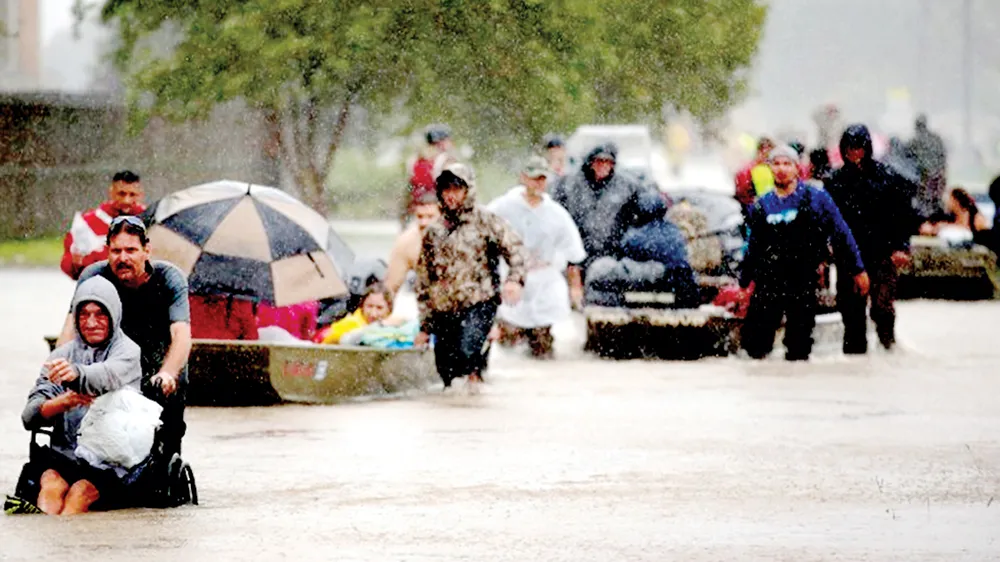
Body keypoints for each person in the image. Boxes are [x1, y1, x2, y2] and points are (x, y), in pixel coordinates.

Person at [55, 216, 191, 457]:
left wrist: (168, 373)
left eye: (131, 250)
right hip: (113, 359)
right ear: (107, 251)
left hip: (159, 360)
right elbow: (70, 329)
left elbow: (181, 333)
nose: (123, 258)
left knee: (167, 420)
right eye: (116, 251)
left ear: (146, 250)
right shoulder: (94, 276)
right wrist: (60, 370)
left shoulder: (169, 278)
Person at [22, 276, 142, 515]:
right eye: (84, 314)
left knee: (78, 493)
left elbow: (106, 375)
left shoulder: (128, 352)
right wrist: (61, 403)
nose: (91, 322)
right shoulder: (61, 355)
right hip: (66, 454)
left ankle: (71, 546)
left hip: (112, 460)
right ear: (75, 318)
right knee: (50, 488)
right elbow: (29, 416)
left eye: (100, 314)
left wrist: (77, 375)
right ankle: (51, 549)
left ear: (113, 316)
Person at [739, 145, 869, 361]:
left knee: (798, 348)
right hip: (768, 282)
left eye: (787, 164)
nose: (782, 169)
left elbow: (841, 233)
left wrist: (858, 269)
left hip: (802, 280)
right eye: (777, 164)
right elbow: (753, 247)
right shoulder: (762, 206)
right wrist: (744, 284)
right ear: (770, 168)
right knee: (755, 346)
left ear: (797, 168)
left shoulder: (816, 198)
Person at [414, 163, 527, 388]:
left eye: (457, 188)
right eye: (446, 189)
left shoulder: (486, 221)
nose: (451, 195)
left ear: (468, 190)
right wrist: (425, 327)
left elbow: (515, 249)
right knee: (447, 374)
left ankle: (478, 382)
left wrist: (514, 279)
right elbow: (424, 279)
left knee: (468, 353)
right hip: (444, 308)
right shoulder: (434, 231)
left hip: (479, 302)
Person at [827, 124, 918, 353]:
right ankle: (855, 357)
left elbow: (903, 215)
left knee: (882, 306)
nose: (854, 153)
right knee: (850, 308)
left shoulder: (888, 179)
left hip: (882, 252)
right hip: (849, 254)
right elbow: (827, 218)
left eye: (858, 148)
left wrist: (901, 247)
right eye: (849, 148)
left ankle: (888, 346)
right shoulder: (835, 181)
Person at [486, 155, 586, 359]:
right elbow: (482, 229)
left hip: (544, 279)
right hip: (512, 278)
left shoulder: (556, 213)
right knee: (510, 341)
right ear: (523, 177)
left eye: (542, 178)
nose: (538, 183)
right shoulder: (504, 205)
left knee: (542, 344)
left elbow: (573, 252)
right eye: (534, 178)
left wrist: (575, 287)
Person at [550, 142, 659, 282]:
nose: (603, 166)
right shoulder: (570, 184)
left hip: (611, 253)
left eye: (608, 162)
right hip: (577, 252)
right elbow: (555, 213)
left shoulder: (626, 185)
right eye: (599, 161)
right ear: (591, 162)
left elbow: (649, 205)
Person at [60, 170, 146, 280]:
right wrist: (76, 264)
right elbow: (68, 263)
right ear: (111, 192)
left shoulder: (150, 221)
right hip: (100, 288)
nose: (126, 200)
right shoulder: (87, 222)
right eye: (121, 194)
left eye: (132, 194)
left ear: (140, 195)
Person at [385, 193, 442, 295]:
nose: (424, 222)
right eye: (420, 217)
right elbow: (391, 287)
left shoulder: (458, 236)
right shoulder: (406, 242)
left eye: (430, 217)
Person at [403, 124, 457, 226]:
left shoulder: (414, 160)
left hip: (419, 212)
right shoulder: (446, 160)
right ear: (441, 142)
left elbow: (410, 188)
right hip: (439, 213)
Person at [319, 283, 394, 344]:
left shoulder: (392, 327)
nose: (373, 313)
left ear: (389, 310)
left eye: (379, 308)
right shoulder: (352, 323)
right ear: (362, 306)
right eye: (369, 306)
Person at [907, 114, 948, 219]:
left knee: (924, 202)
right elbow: (942, 157)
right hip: (935, 176)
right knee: (934, 200)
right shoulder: (935, 139)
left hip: (923, 178)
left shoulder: (914, 142)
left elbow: (908, 161)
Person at [919, 187, 992, 243]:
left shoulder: (975, 217)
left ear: (956, 201)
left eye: (950, 200)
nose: (947, 203)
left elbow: (982, 235)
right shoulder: (949, 216)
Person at [189, 294, 259, 340]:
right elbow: (251, 336)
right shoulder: (240, 300)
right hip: (229, 353)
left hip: (194, 351)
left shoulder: (188, 297)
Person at [734, 137, 776, 214]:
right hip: (755, 211)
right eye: (767, 154)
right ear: (760, 151)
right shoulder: (747, 170)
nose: (768, 157)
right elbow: (743, 194)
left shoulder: (773, 169)